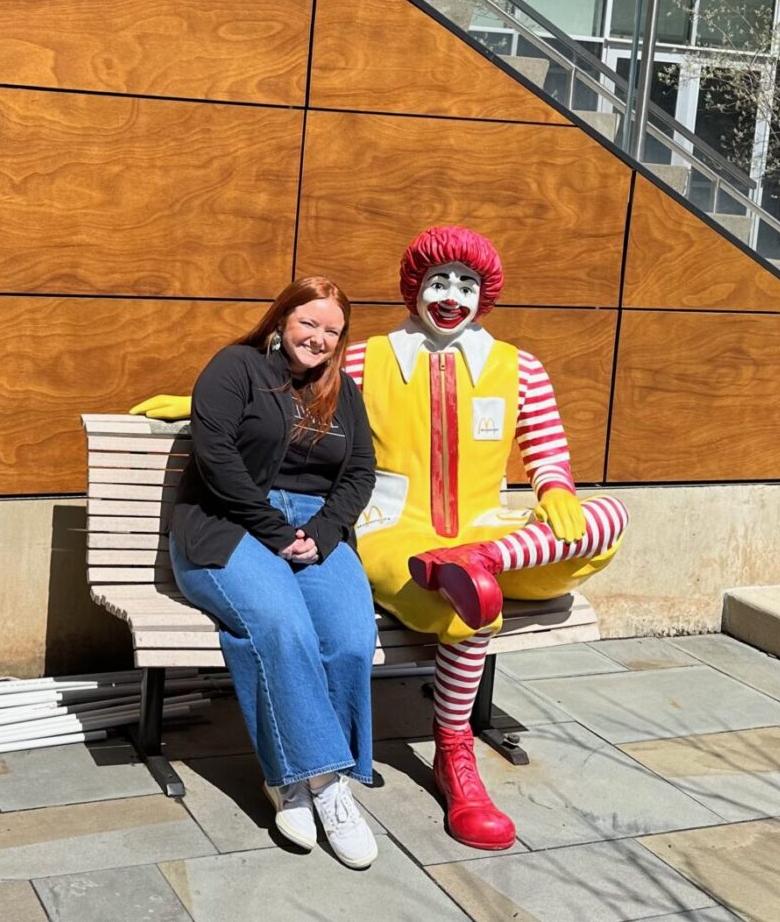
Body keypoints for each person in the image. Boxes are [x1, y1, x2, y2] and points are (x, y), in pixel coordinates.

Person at [135, 227, 627, 853]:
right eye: (438, 280)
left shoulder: (520, 367)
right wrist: (203, 401)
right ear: (414, 287)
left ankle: (482, 562)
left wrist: (555, 490)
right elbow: (279, 382)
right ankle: (445, 757)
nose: (452, 295)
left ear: (488, 294)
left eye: (467, 283)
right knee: (454, 610)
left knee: (606, 519)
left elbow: (546, 453)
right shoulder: (364, 360)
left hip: (478, 534)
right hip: (398, 535)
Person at [167, 276, 382, 869]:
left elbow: (361, 472)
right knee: (281, 625)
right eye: (308, 322)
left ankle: (303, 774)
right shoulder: (234, 368)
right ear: (282, 318)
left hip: (316, 529)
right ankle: (319, 784)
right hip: (229, 522)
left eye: (332, 331)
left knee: (348, 636)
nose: (318, 338)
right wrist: (276, 531)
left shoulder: (345, 391)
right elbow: (215, 458)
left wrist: (328, 531)